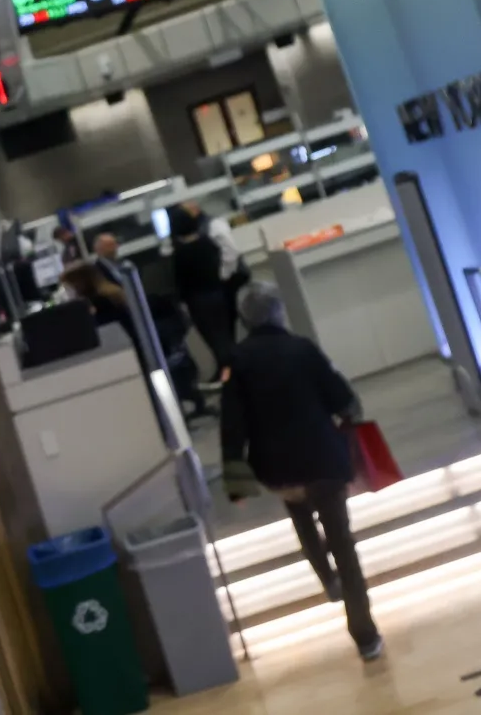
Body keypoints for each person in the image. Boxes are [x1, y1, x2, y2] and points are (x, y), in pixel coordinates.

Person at [220, 282, 383, 661]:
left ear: (246, 319)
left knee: (301, 518)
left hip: (277, 468)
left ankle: (328, 579)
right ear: (279, 312)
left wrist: (236, 485)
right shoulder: (302, 348)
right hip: (322, 460)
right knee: (342, 541)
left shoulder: (238, 361)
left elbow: (232, 425)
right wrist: (348, 412)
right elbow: (341, 399)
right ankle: (365, 635)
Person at [90, 233, 208, 418]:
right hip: (131, 329)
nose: (115, 248)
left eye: (115, 244)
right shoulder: (99, 274)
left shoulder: (120, 266)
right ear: (99, 249)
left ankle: (186, 400)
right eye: (110, 246)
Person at [168, 205, 236, 384]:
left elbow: (180, 282)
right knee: (224, 335)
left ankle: (228, 373)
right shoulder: (207, 243)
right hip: (216, 294)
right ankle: (231, 370)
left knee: (213, 338)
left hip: (198, 300)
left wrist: (180, 301)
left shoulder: (181, 253)